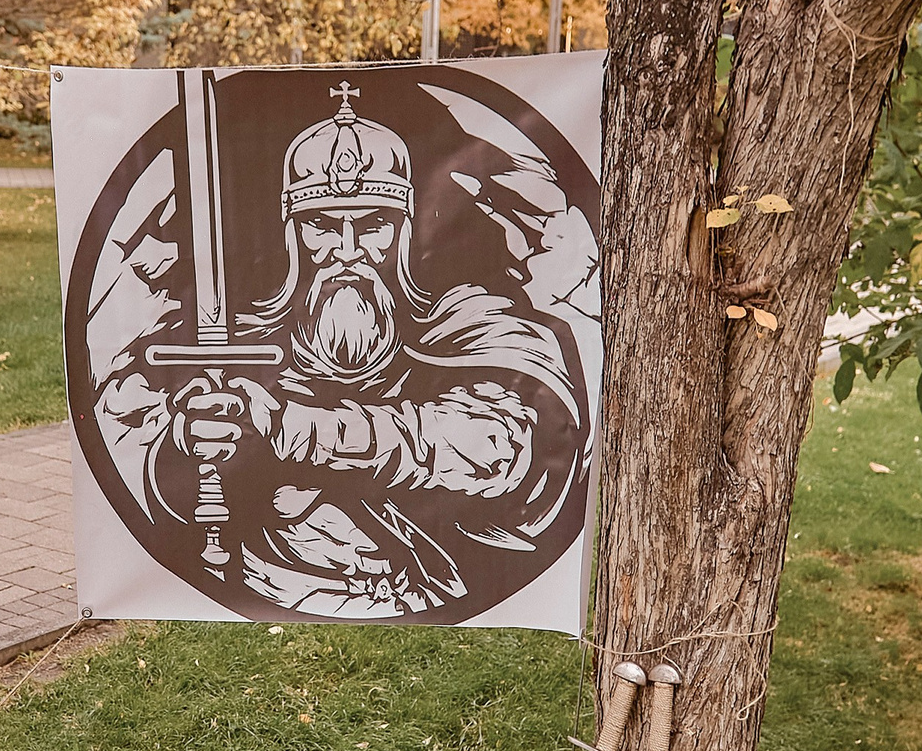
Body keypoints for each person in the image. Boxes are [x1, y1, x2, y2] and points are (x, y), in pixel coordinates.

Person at [100, 85, 589, 617]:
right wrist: (190, 440)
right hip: (266, 586)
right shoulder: (234, 340)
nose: (349, 250)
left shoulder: (471, 320)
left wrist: (293, 426)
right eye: (324, 226)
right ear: (293, 234)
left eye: (373, 225)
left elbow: (496, 444)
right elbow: (145, 462)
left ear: (404, 230)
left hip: (421, 590)